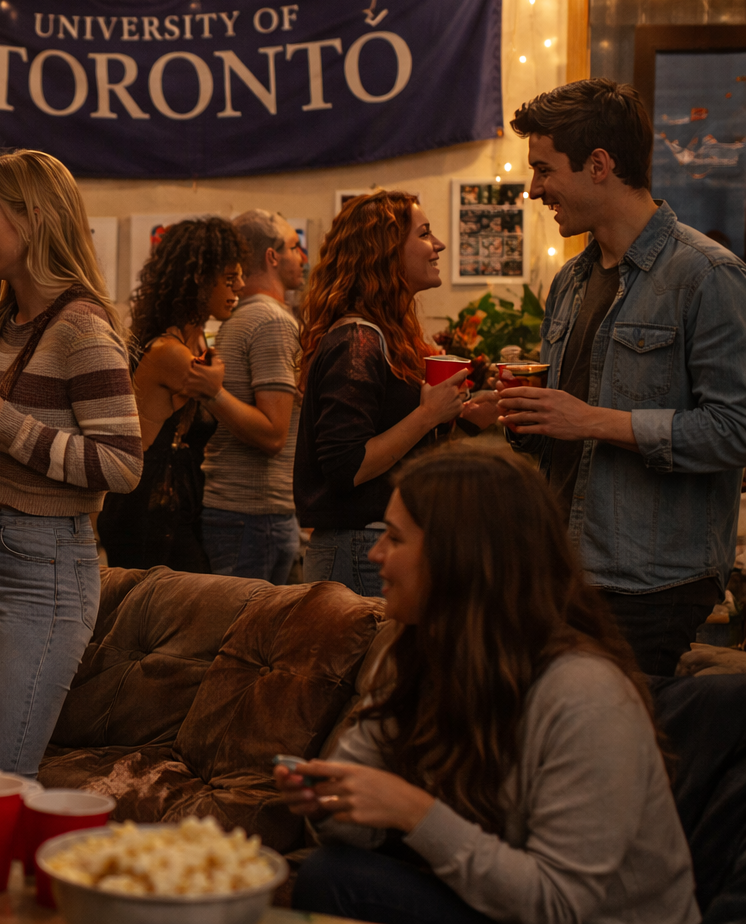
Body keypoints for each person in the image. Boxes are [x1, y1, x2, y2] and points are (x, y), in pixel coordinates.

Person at [278, 447, 698, 924]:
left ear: (460, 557)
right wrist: (330, 802)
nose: (375, 554)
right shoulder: (412, 654)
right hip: (493, 903)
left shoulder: (586, 695)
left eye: (393, 538)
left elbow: (558, 906)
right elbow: (354, 836)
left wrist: (416, 812)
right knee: (330, 874)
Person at [498, 77, 746, 677]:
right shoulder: (570, 281)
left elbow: (735, 431)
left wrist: (591, 420)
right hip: (561, 569)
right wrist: (522, 418)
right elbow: (565, 431)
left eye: (543, 169)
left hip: (648, 584)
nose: (532, 189)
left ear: (599, 165)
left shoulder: (707, 275)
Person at [0, 149, 141, 777]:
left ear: (35, 219)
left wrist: (1, 420)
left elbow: (123, 464)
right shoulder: (3, 322)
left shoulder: (80, 327)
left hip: (44, 564)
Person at [294, 192, 498, 597]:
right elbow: (347, 467)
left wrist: (464, 418)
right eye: (424, 234)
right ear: (385, 252)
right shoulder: (357, 340)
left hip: (372, 544)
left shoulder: (386, 335)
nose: (438, 244)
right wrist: (427, 416)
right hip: (359, 549)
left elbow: (393, 446)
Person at [98, 217, 245, 572]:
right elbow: (266, 432)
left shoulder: (191, 341)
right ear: (199, 280)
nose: (239, 286)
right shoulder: (172, 353)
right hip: (147, 509)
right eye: (228, 279)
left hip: (168, 504)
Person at [200, 209, 308, 584]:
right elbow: (273, 434)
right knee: (247, 638)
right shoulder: (272, 321)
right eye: (295, 247)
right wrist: (212, 394)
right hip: (254, 513)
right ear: (272, 256)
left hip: (242, 512)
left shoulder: (241, 317)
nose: (303, 258)